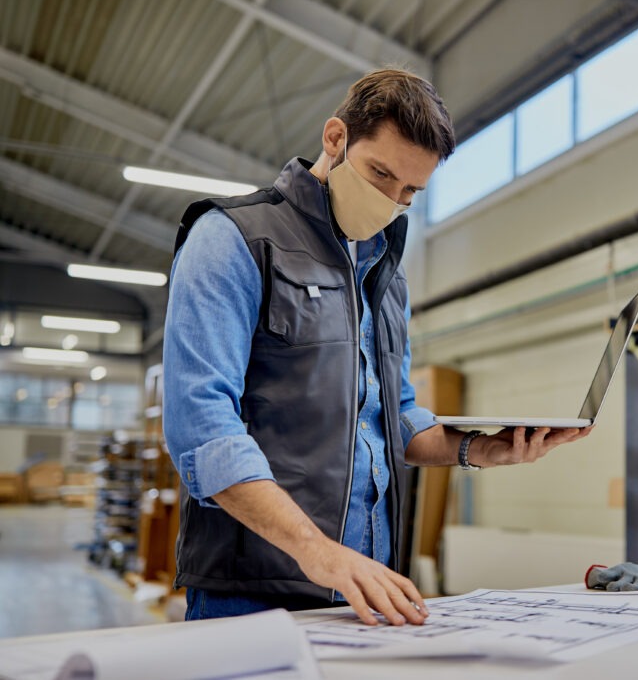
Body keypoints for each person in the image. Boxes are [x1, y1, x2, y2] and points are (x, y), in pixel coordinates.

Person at [162, 69, 590, 627]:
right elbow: (201, 427)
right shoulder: (233, 240)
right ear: (335, 139)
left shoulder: (385, 275)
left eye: (409, 191)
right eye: (380, 174)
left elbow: (392, 419)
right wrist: (318, 551)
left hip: (364, 586)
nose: (391, 201)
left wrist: (481, 448)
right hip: (251, 592)